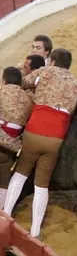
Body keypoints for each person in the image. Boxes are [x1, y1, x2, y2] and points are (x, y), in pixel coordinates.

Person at [3, 49, 77, 238]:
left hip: (35, 130)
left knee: (21, 174)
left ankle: (6, 215)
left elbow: (22, 83)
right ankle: (35, 231)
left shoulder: (45, 72)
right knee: (42, 185)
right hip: (56, 137)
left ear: (52, 61)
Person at [0, 67, 34, 209]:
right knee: (4, 183)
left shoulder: (1, 92)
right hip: (12, 149)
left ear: (4, 80)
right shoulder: (29, 98)